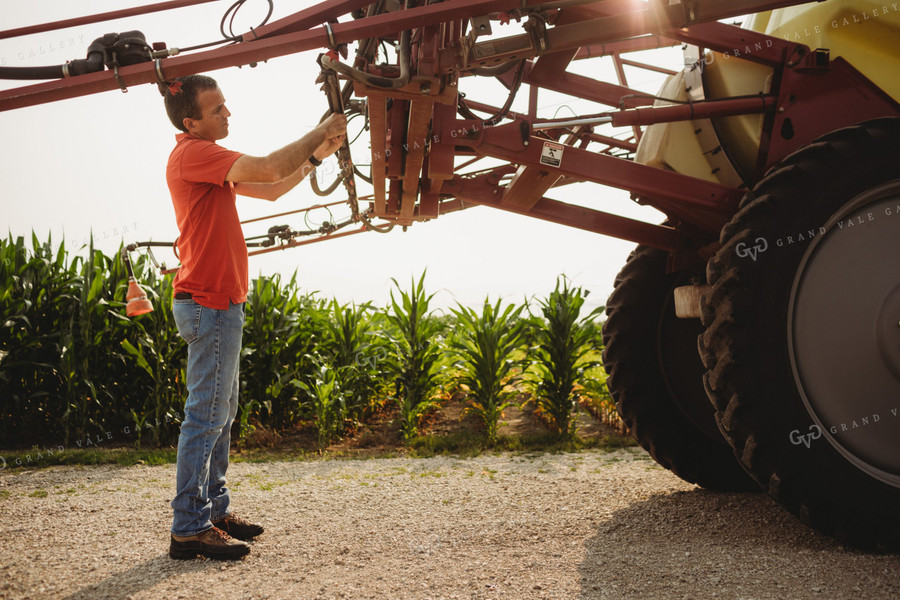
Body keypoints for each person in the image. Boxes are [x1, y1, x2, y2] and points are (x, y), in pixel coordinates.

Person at [161, 74, 346, 560]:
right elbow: (266, 168)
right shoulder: (193, 154)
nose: (228, 114)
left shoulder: (208, 160)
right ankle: (188, 526)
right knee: (205, 417)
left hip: (221, 303)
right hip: (210, 303)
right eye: (217, 108)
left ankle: (213, 510)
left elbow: (272, 188)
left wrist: (318, 152)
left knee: (221, 417)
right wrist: (320, 127)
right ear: (191, 121)